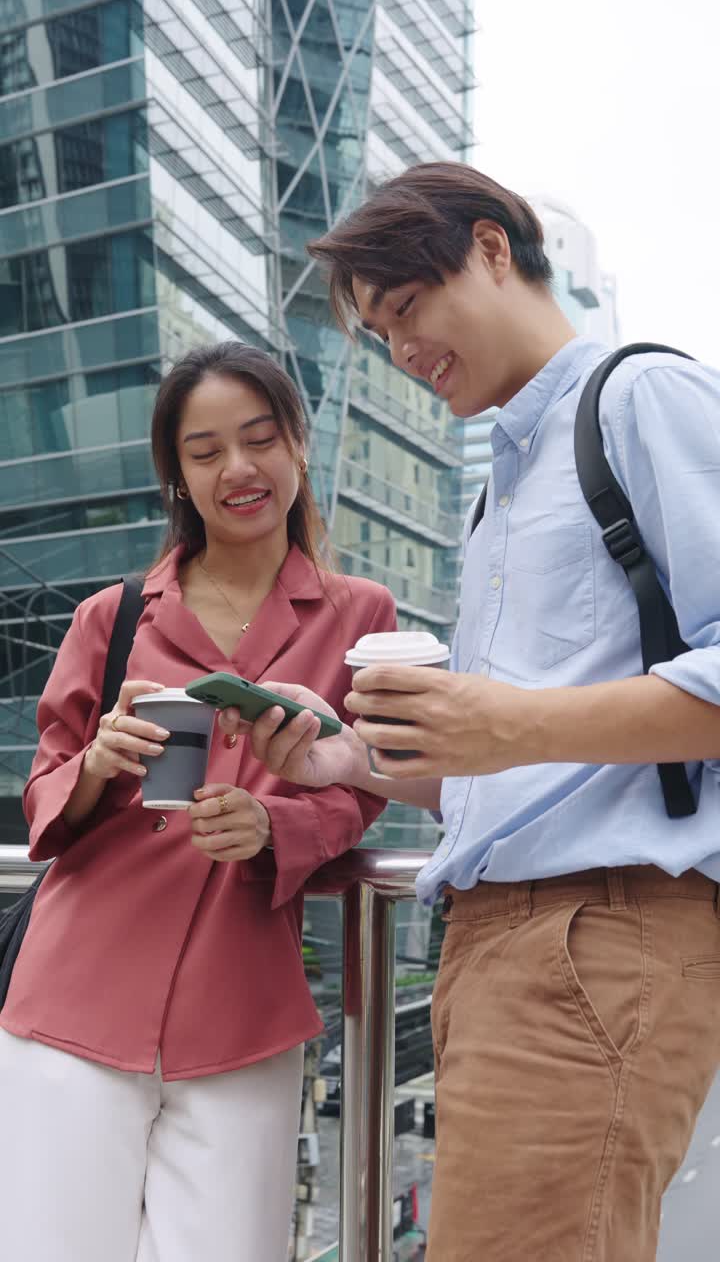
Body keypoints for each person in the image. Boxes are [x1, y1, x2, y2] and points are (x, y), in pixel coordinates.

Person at [222, 164, 720, 1262]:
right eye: (379, 332)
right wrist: (346, 760)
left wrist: (512, 723)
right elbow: (512, 767)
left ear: (493, 248)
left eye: (406, 310)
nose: (401, 352)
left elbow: (529, 735)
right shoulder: (506, 482)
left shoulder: (642, 397)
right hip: (508, 938)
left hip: (596, 929)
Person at [0, 342, 396, 1262]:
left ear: (299, 446)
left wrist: (274, 826)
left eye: (260, 439)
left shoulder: (360, 615)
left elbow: (366, 787)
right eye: (206, 450)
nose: (239, 469)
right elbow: (43, 792)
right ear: (178, 474)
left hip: (243, 1008)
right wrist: (99, 759)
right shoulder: (116, 613)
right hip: (72, 997)